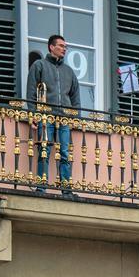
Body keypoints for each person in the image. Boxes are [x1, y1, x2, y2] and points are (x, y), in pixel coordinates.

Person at [26, 34, 80, 196]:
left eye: (65, 46)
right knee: (44, 150)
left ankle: (66, 189)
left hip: (64, 118)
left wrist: (75, 118)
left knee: (65, 153)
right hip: (45, 116)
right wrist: (32, 114)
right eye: (61, 46)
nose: (64, 49)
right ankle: (41, 186)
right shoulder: (39, 65)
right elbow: (31, 93)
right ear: (51, 47)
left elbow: (75, 98)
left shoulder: (69, 71)